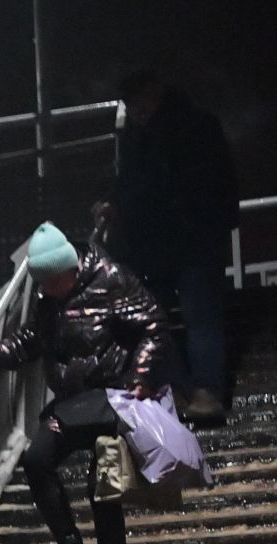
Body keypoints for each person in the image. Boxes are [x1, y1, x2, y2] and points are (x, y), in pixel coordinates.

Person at [0, 220, 170, 544]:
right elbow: (28, 343)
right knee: (37, 458)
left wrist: (139, 377)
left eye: (53, 283)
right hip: (72, 404)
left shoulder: (110, 279)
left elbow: (154, 325)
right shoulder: (50, 299)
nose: (48, 292)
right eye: (43, 285)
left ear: (71, 268)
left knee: (102, 484)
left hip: (112, 397)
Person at [105, 71, 240, 424]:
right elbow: (223, 181)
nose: (136, 109)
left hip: (174, 242)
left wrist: (122, 214)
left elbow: (135, 186)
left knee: (174, 318)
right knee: (196, 317)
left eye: (138, 101)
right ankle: (200, 392)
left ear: (155, 94)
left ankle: (190, 391)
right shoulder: (197, 126)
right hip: (188, 240)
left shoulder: (153, 137)